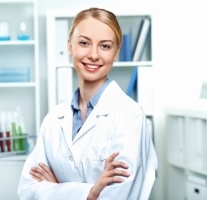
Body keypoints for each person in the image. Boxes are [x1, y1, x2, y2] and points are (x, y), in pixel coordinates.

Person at [17, 7, 158, 200]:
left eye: (105, 46)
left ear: (116, 52)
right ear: (69, 46)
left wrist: (56, 188)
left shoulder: (130, 116)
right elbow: (27, 190)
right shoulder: (53, 119)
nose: (93, 55)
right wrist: (90, 192)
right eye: (84, 43)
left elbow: (120, 196)